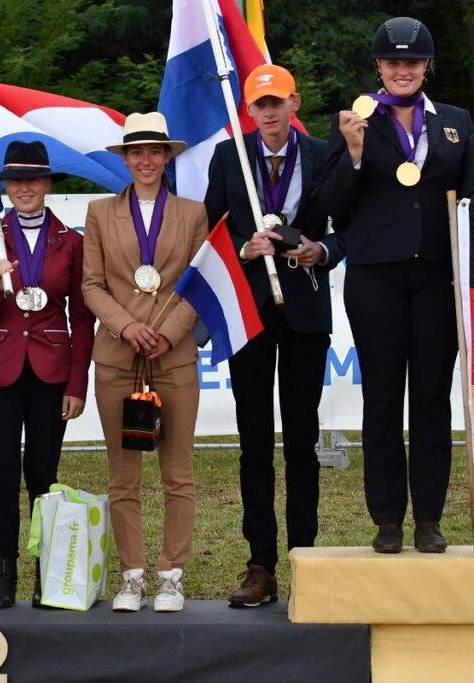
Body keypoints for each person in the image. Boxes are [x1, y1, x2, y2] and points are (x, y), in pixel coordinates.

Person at [322, 17, 473, 553]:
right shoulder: (355, 121)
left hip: (437, 276)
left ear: (426, 66)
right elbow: (333, 205)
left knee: (431, 398)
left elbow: (470, 202)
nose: (402, 70)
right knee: (383, 397)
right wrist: (354, 154)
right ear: (379, 67)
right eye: (393, 61)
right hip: (375, 278)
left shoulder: (456, 122)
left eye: (412, 61)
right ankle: (387, 520)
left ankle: (429, 518)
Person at [205, 64, 346, 607]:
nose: (269, 112)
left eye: (277, 102)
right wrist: (244, 248)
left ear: (294, 103)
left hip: (305, 310)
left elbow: (347, 225)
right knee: (255, 444)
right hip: (250, 312)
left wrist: (322, 250)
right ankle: (260, 564)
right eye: (260, 104)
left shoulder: (322, 154)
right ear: (249, 110)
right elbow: (212, 228)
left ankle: (304, 558)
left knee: (302, 443)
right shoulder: (229, 156)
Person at [83, 112, 208, 613]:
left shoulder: (193, 213)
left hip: (173, 358)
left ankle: (171, 574)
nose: (146, 160)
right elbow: (92, 284)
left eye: (155, 151)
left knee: (178, 473)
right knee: (123, 475)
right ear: (126, 159)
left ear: (167, 157)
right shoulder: (99, 212)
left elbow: (198, 283)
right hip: (118, 358)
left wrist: (169, 332)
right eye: (136, 152)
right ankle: (132, 575)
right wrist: (126, 326)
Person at [0, 140, 94, 609]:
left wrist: (77, 383)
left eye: (33, 179)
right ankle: (5, 573)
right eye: (15, 181)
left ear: (47, 183)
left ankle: (46, 572)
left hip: (50, 372)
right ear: (5, 187)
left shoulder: (71, 241)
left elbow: (82, 318)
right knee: (1, 477)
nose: (24, 188)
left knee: (42, 476)